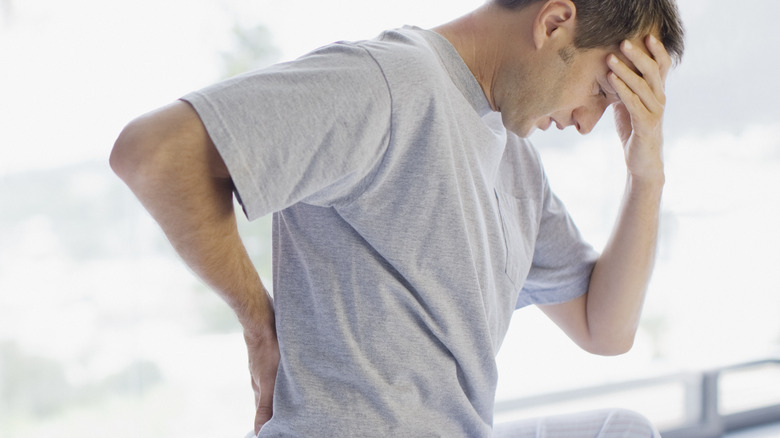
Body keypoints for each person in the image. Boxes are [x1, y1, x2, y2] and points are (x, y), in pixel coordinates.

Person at [110, 0, 684, 436]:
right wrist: (261, 326)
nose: (588, 124)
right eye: (603, 92)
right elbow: (155, 156)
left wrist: (646, 172)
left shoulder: (515, 163)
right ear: (555, 21)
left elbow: (605, 329)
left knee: (621, 430)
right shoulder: (388, 84)